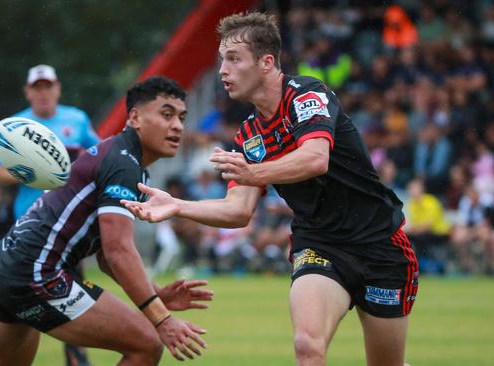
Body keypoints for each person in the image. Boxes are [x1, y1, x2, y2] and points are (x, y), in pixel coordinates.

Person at [123, 13, 418, 366]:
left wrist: (254, 172)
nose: (222, 71)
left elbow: (315, 158)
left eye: (233, 59)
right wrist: (178, 205)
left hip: (379, 245)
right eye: (222, 61)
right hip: (320, 244)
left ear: (266, 63)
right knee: (307, 346)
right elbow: (238, 210)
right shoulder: (248, 136)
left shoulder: (308, 95)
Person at [0, 76, 212, 366]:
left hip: (1, 266)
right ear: (135, 117)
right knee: (146, 345)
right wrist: (162, 319)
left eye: (181, 117)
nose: (177, 125)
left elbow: (104, 255)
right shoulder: (123, 164)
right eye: (166, 115)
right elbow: (118, 251)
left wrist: (157, 293)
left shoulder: (123, 159)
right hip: (34, 274)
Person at [0, 64, 100, 365]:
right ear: (28, 92)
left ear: (58, 88)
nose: (44, 92)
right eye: (37, 87)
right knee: (18, 310)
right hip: (29, 227)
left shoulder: (77, 120)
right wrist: (34, 172)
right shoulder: (15, 125)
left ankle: (78, 361)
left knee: (75, 300)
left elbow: (98, 155)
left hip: (68, 228)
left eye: (48, 86)